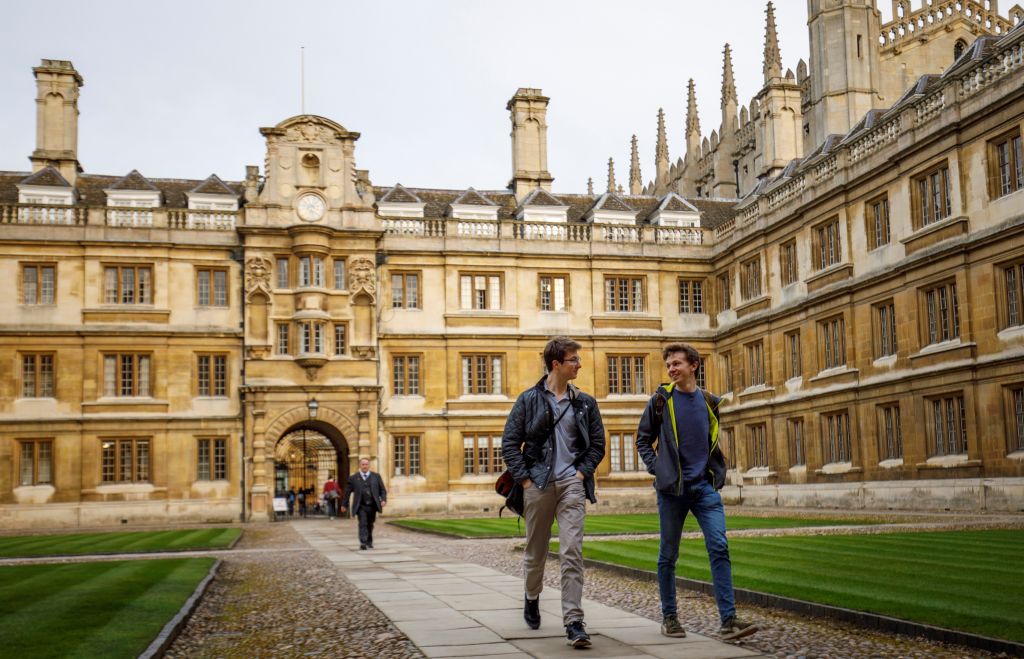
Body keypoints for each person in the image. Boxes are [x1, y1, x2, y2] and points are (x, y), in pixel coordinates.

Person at [635, 343, 758, 641]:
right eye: (668, 365)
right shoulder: (660, 401)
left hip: (704, 488)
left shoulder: (709, 401)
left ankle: (728, 621)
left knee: (719, 547)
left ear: (693, 366)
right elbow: (642, 440)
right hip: (672, 491)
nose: (671, 369)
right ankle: (670, 617)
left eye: (677, 363)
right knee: (669, 555)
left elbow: (711, 440)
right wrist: (659, 469)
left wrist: (715, 473)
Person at [501, 336, 606, 649]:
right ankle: (532, 597)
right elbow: (509, 443)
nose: (579, 364)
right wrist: (525, 481)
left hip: (572, 484)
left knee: (572, 551)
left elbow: (597, 444)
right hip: (538, 484)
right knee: (536, 552)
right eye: (574, 359)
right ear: (556, 364)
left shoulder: (584, 402)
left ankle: (574, 621)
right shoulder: (528, 400)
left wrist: (582, 472)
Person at [340, 458, 387, 549]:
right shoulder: (353, 478)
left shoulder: (376, 476)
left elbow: (382, 490)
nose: (365, 466)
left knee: (370, 524)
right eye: (363, 464)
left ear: (369, 465)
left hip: (372, 505)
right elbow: (347, 492)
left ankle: (369, 541)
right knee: (363, 523)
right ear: (360, 465)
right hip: (361, 505)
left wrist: (383, 500)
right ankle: (363, 542)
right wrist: (344, 504)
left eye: (366, 464)